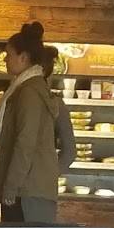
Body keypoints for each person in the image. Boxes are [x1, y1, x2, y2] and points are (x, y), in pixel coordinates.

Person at [0, 22, 59, 223]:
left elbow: (25, 142)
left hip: (26, 193)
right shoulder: (29, 88)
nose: (5, 59)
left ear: (23, 57)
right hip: (30, 190)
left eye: (8, 54)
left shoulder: (28, 92)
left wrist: (10, 187)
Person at [43, 46, 76, 174]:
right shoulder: (57, 104)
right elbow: (69, 152)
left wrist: (49, 176)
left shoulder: (55, 104)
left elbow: (69, 152)